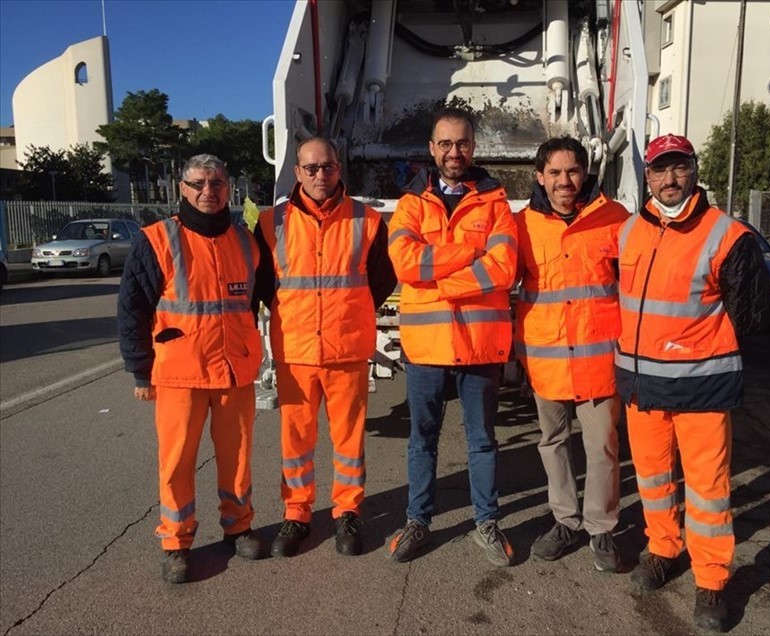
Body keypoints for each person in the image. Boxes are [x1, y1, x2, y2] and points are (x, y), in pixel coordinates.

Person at [616, 134, 770, 632]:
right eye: (660, 169)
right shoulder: (628, 232)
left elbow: (754, 313)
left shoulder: (727, 235)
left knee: (708, 490)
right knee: (653, 479)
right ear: (648, 174)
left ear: (694, 169)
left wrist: (698, 344)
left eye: (679, 167)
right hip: (643, 388)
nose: (670, 178)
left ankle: (711, 579)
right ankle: (663, 548)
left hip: (702, 388)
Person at [118, 154, 264, 584]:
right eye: (198, 183)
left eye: (217, 182)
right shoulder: (156, 240)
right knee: (177, 461)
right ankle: (176, 542)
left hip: (234, 370)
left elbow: (255, 303)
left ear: (229, 187)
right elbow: (132, 309)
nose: (208, 191)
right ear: (182, 188)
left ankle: (239, 527)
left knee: (237, 458)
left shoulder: (246, 242)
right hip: (179, 373)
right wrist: (141, 371)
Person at [387, 107, 518, 567]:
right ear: (431, 149)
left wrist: (443, 278)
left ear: (473, 147)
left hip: (480, 346)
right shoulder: (409, 204)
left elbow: (504, 268)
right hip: (426, 349)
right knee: (422, 439)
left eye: (461, 143)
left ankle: (486, 521)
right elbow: (404, 263)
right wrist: (468, 252)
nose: (453, 152)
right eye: (444, 144)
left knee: (482, 440)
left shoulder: (497, 204)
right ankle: (418, 521)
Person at [253, 137, 396, 557]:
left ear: (339, 169)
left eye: (328, 167)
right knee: (295, 440)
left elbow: (381, 280)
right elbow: (263, 286)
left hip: (346, 349)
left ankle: (347, 512)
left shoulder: (367, 221)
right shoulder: (269, 223)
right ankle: (297, 513)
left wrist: (347, 313)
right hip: (295, 351)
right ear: (296, 172)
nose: (320, 175)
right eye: (311, 168)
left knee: (348, 439)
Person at [514, 137, 629, 571]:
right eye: (556, 173)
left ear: (585, 173)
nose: (565, 181)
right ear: (540, 177)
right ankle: (565, 520)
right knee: (553, 443)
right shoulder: (521, 226)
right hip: (547, 362)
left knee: (602, 446)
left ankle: (601, 528)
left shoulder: (614, 219)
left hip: (599, 361)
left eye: (573, 171)